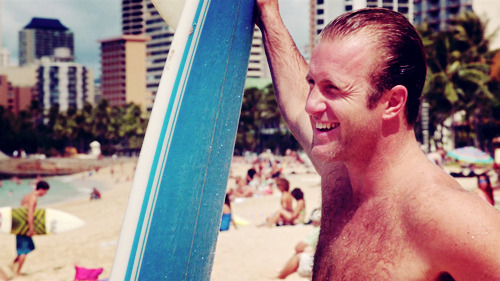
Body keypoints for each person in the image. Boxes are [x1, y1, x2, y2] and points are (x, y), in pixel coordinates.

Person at [256, 2, 500, 279]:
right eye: (313, 83)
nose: (311, 105)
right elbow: (295, 99)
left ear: (393, 102)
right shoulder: (339, 175)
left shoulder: (448, 216)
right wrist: (269, 14)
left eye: (332, 88)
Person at [12, 180, 50, 276]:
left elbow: (21, 210)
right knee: (24, 250)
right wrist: (31, 228)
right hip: (25, 227)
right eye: (45, 192)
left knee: (29, 247)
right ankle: (18, 272)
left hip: (20, 225)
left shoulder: (26, 196)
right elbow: (29, 213)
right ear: (41, 189)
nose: (45, 194)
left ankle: (13, 264)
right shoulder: (33, 198)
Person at [277, 208, 321, 279]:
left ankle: (280, 277)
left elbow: (298, 247)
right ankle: (281, 272)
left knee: (299, 256)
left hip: (317, 264)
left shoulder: (317, 230)